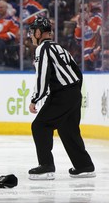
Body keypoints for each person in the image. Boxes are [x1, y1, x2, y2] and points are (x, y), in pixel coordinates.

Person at [28, 17, 95, 180]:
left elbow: (42, 76)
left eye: (32, 32)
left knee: (40, 125)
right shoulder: (60, 48)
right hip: (74, 93)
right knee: (68, 130)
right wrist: (74, 93)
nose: (30, 36)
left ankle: (46, 166)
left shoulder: (42, 49)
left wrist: (35, 98)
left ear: (38, 32)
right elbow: (77, 71)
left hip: (61, 94)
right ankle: (84, 166)